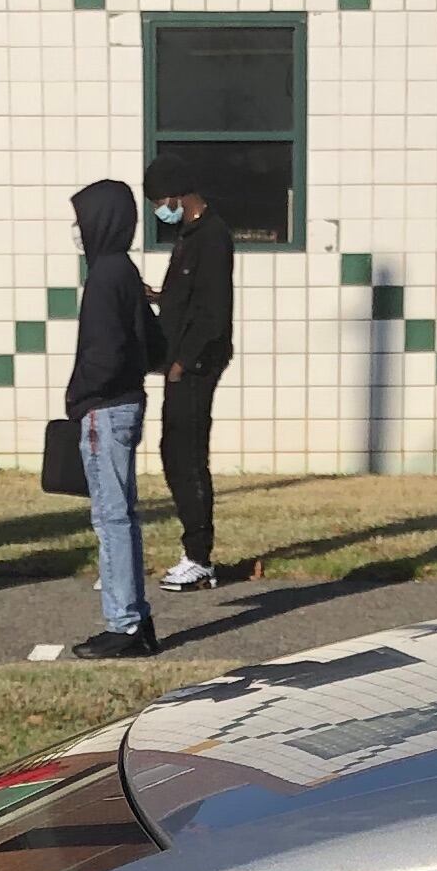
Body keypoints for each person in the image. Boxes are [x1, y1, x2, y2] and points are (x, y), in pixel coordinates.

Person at [61, 178, 164, 660]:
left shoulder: (105, 275)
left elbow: (105, 352)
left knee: (111, 518)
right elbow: (151, 345)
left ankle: (124, 623)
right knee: (122, 515)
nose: (77, 231)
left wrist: (80, 396)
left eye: (81, 220)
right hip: (125, 402)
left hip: (105, 408)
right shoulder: (123, 270)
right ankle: (133, 619)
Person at [146, 160, 238, 593]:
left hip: (196, 366)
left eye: (160, 203)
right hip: (181, 363)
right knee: (173, 452)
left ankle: (199, 557)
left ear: (176, 196)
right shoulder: (189, 236)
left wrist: (183, 364)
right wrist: (161, 297)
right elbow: (191, 295)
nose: (159, 211)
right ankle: (194, 552)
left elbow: (213, 313)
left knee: (186, 455)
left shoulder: (212, 237)